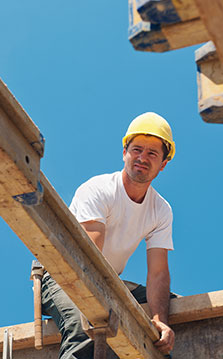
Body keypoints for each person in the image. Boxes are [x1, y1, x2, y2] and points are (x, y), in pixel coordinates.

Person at [41, 112, 176, 358]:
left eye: (152, 153)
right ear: (124, 152)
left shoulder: (161, 210)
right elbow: (88, 257)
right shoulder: (99, 189)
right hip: (64, 274)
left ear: (163, 164)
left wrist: (160, 321)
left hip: (109, 282)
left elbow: (158, 272)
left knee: (172, 305)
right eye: (137, 150)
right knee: (86, 321)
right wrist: (106, 303)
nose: (142, 158)